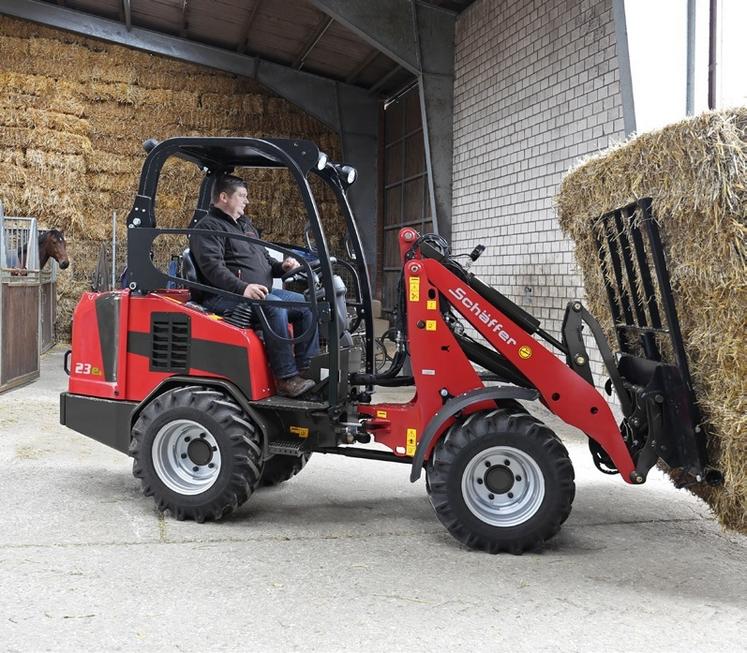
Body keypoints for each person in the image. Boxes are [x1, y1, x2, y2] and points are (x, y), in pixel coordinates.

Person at [190, 174, 318, 398]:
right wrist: (243, 288)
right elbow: (213, 268)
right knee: (274, 305)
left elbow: (265, 260)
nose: (246, 201)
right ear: (224, 197)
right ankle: (286, 378)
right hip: (224, 294)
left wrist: (282, 267)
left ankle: (307, 368)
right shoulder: (208, 227)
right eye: (242, 196)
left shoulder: (245, 226)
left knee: (307, 305)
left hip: (257, 290)